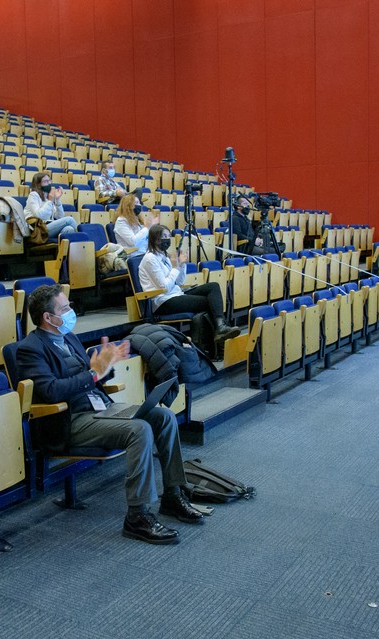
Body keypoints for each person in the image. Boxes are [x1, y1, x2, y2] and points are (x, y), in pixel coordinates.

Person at [15, 284, 203, 544]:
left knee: (164, 417)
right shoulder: (30, 349)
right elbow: (50, 391)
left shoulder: (68, 337)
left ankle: (173, 494)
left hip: (99, 408)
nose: (71, 312)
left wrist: (107, 365)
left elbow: (93, 377)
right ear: (48, 317)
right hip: (70, 420)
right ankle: (137, 516)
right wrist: (94, 373)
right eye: (65, 308)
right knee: (140, 430)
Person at [139, 224, 240, 343]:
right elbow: (164, 287)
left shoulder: (164, 256)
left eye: (168, 236)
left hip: (175, 294)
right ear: (155, 239)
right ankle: (218, 332)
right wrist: (176, 267)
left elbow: (179, 282)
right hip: (162, 301)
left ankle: (220, 327)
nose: (167, 239)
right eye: (164, 236)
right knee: (210, 302)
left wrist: (182, 265)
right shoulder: (150, 258)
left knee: (213, 286)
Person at [22, 172, 78, 242]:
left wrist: (57, 200)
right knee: (69, 220)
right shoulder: (33, 195)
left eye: (49, 181)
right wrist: (50, 201)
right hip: (38, 230)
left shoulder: (46, 198)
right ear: (38, 184)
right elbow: (38, 215)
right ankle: (82, 241)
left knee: (69, 229)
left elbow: (60, 217)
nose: (49, 183)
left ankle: (62, 249)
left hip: (48, 227)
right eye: (46, 181)